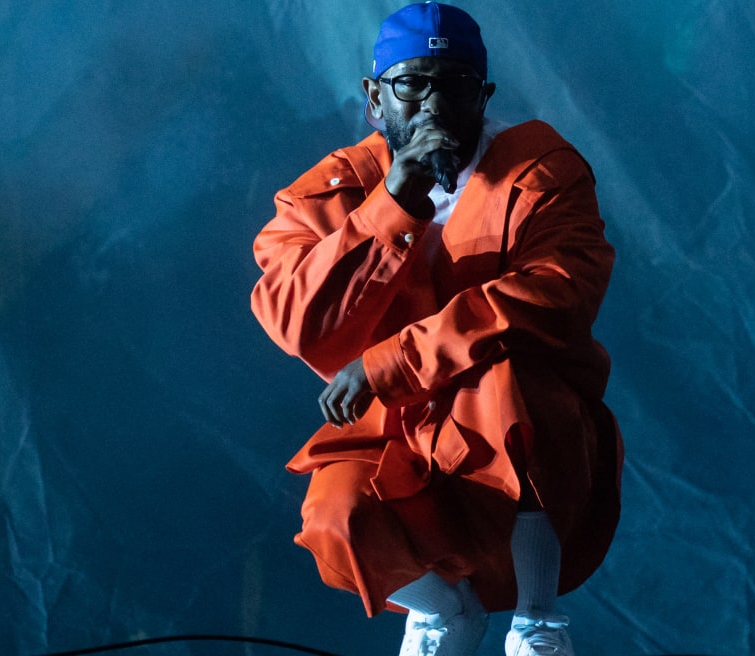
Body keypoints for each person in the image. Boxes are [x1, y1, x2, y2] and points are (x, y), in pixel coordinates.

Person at [251, 3, 623, 655]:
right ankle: (446, 612)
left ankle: (537, 624)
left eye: (453, 84)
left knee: (507, 377)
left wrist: (386, 363)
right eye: (411, 83)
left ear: (483, 95)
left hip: (521, 432)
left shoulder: (541, 171)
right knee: (335, 520)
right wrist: (393, 201)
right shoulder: (320, 198)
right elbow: (297, 324)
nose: (432, 104)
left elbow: (555, 296)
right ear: (373, 99)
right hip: (394, 430)